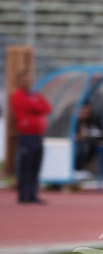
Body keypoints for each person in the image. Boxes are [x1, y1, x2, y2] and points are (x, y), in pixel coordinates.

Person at [10, 69, 51, 204]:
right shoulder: (18, 95)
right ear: (19, 82)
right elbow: (29, 106)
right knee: (26, 166)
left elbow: (47, 108)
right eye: (24, 80)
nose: (27, 82)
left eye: (28, 79)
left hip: (38, 135)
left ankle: (33, 194)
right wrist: (36, 105)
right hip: (26, 135)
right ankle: (24, 195)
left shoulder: (35, 94)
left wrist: (36, 105)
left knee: (35, 166)